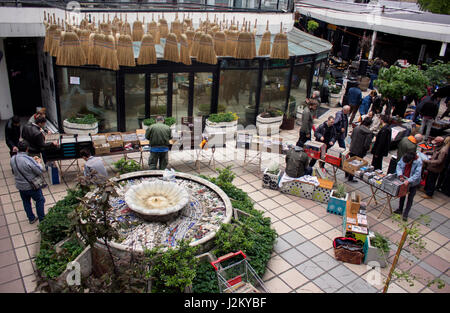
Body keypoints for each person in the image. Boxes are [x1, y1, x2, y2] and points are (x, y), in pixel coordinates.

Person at [10, 141, 46, 224]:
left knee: (26, 201)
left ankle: (31, 218)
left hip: (20, 185)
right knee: (40, 200)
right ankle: (42, 219)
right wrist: (39, 163)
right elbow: (39, 171)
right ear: (27, 149)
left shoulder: (13, 159)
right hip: (31, 186)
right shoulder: (28, 159)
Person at [393, 152, 423, 221]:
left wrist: (409, 180)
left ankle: (406, 213)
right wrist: (400, 175)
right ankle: (400, 209)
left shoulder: (418, 162)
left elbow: (417, 174)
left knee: (410, 198)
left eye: (407, 163)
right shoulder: (405, 157)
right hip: (404, 179)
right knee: (402, 194)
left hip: (413, 183)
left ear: (411, 160)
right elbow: (399, 165)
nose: (406, 164)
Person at [347, 117, 374, 182]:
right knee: (356, 164)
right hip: (360, 151)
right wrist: (367, 149)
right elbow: (367, 144)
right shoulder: (369, 133)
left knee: (350, 162)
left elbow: (351, 136)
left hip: (352, 148)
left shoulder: (356, 128)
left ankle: (347, 174)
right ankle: (350, 177)